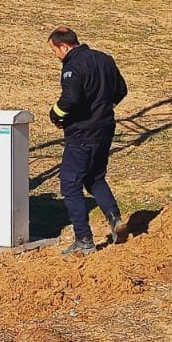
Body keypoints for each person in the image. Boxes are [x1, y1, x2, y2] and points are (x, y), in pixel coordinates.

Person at [47, 27, 128, 255]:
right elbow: (121, 90)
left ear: (64, 46)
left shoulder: (72, 66)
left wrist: (55, 115)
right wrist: (103, 108)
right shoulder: (105, 59)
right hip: (105, 130)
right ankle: (115, 220)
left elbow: (70, 99)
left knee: (70, 184)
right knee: (94, 178)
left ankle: (84, 239)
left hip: (82, 134)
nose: (56, 55)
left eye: (55, 50)